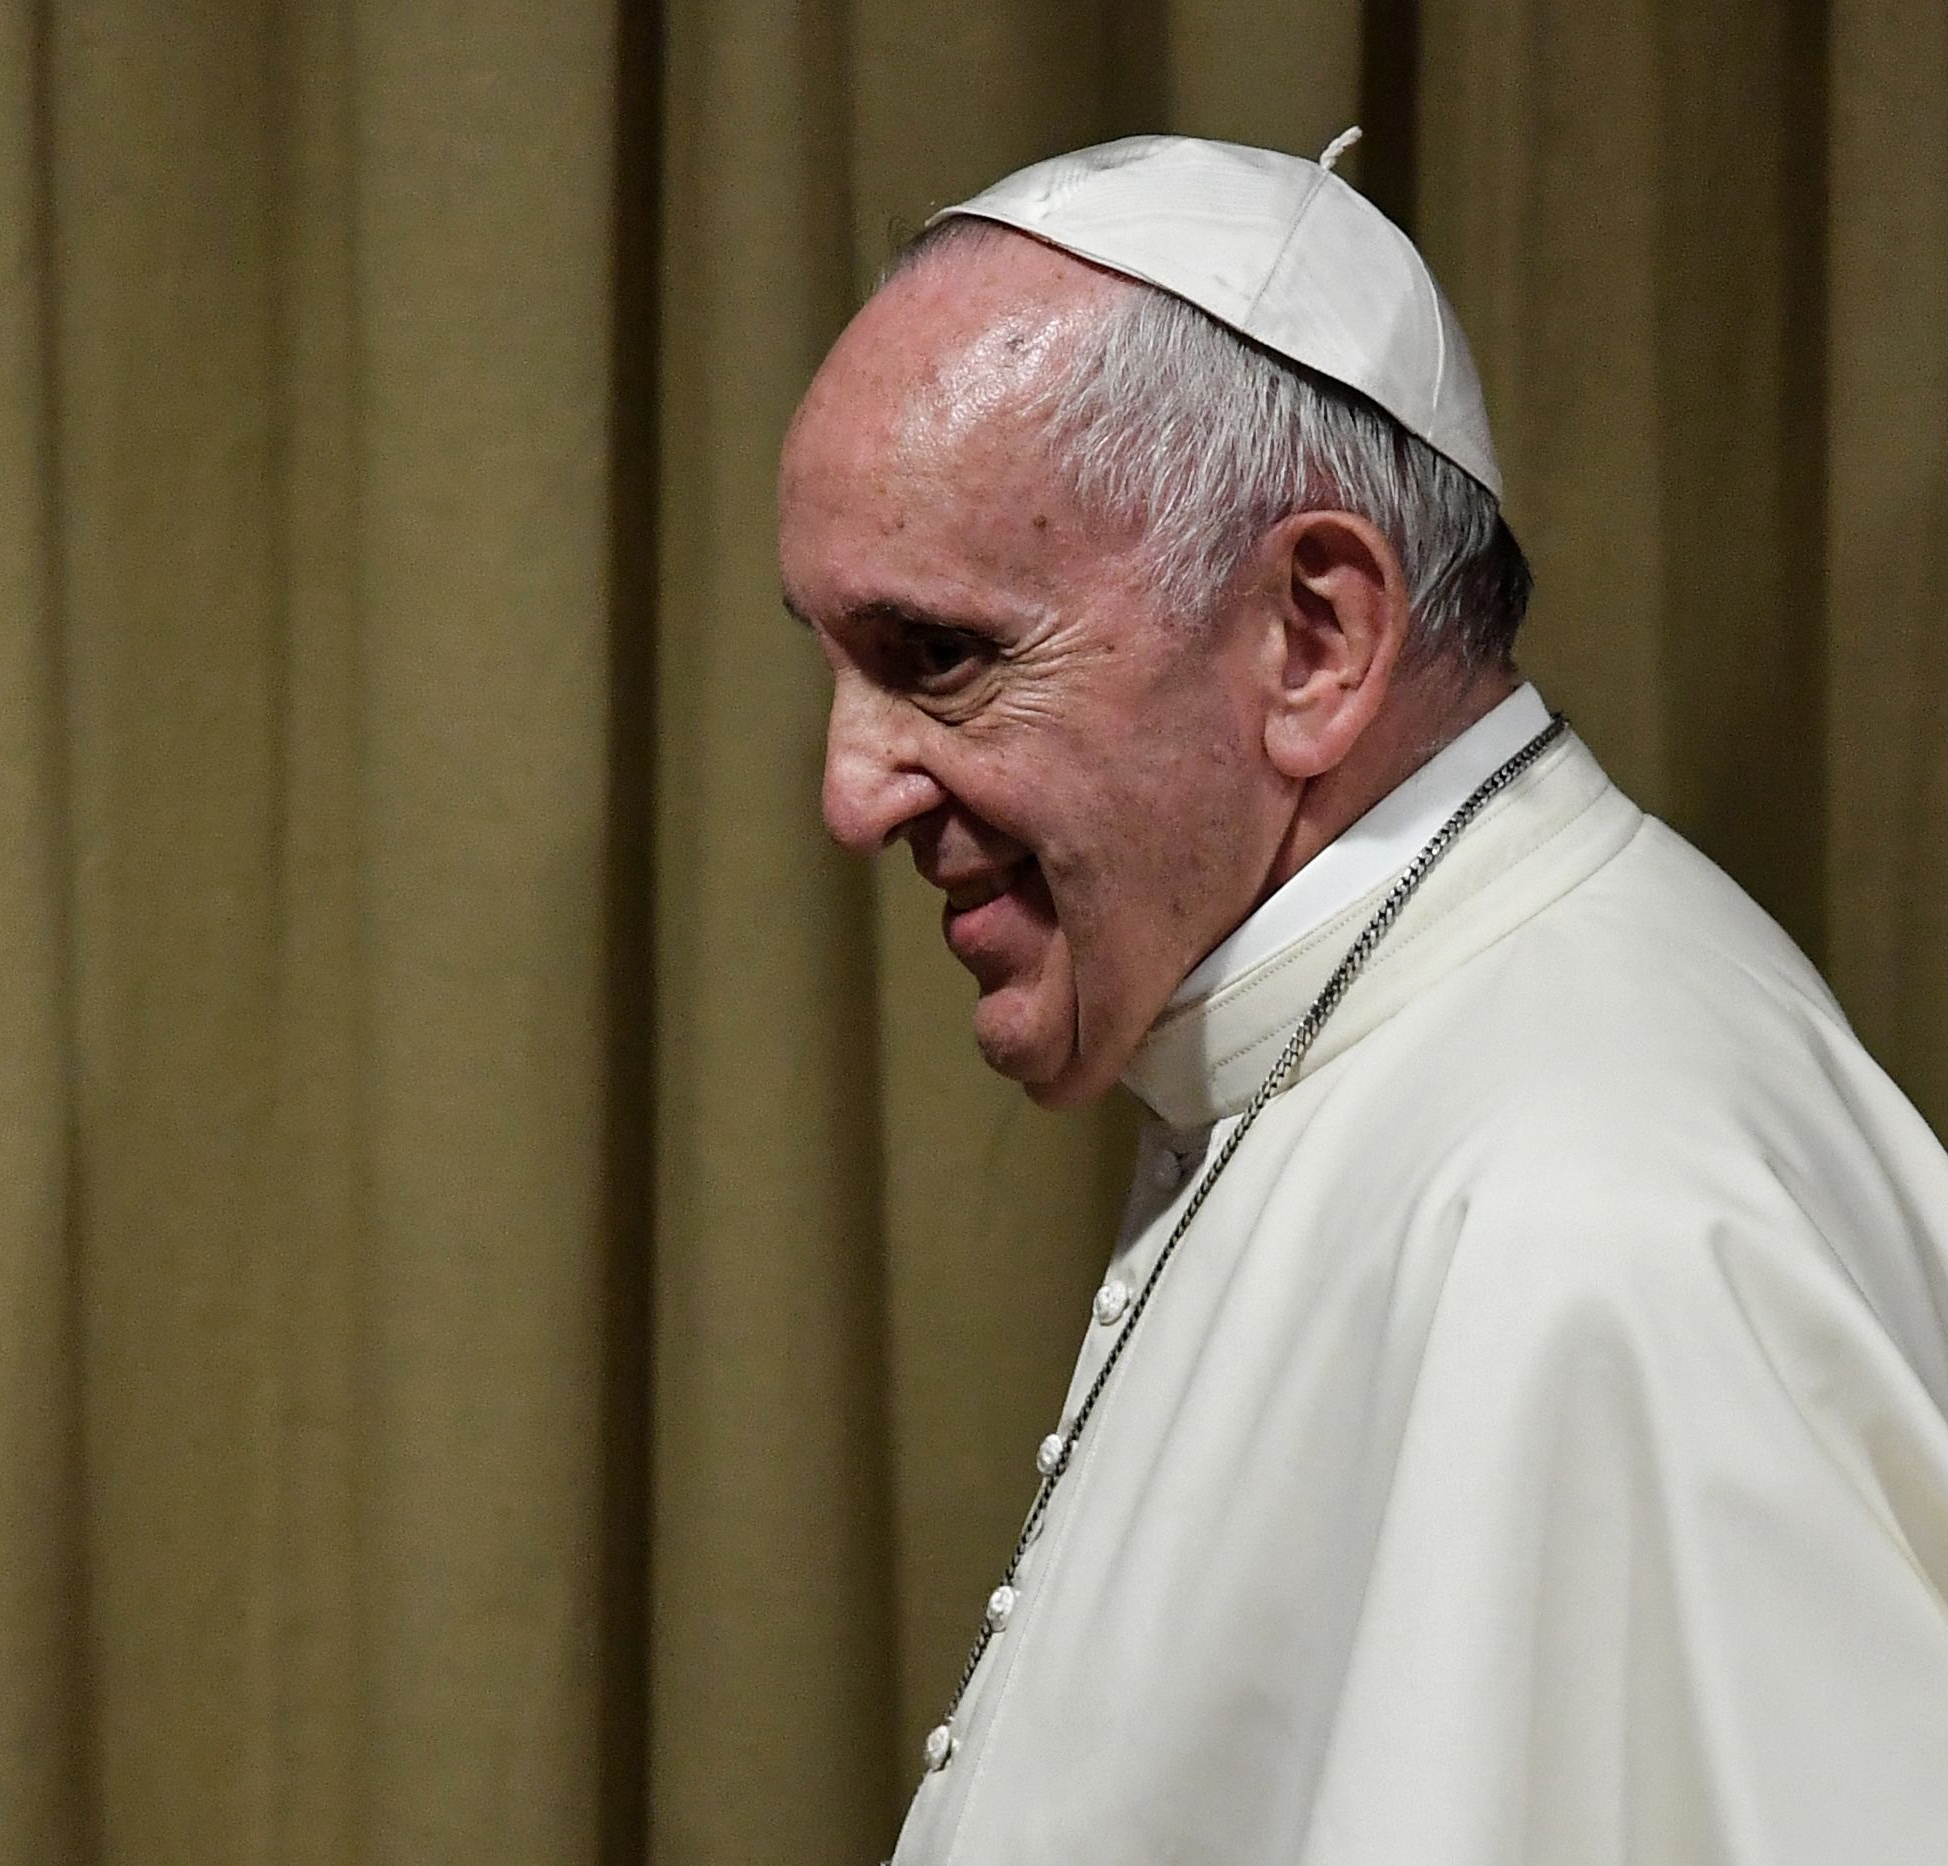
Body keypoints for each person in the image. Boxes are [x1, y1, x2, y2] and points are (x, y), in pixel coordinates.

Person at [780, 131, 1948, 1864]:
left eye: (939, 658)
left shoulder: (1597, 1217)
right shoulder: (1351, 1027)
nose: (850, 791)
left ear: (1313, 638)